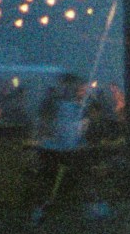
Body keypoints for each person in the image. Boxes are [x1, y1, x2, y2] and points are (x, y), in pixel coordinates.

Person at [30, 72, 90, 222]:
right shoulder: (64, 106)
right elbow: (49, 126)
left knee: (54, 179)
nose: (81, 91)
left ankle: (46, 208)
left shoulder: (70, 106)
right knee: (53, 179)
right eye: (79, 88)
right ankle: (45, 208)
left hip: (59, 150)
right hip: (60, 151)